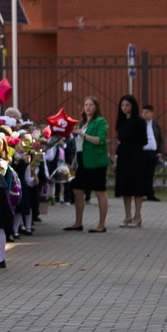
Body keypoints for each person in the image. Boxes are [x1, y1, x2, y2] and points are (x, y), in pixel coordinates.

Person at [70, 97, 109, 232]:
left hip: (96, 161)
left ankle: (101, 224)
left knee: (100, 192)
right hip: (82, 160)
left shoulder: (100, 122)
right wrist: (74, 162)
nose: (87, 107)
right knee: (77, 190)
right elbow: (79, 145)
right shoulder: (82, 124)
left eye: (91, 105)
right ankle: (78, 222)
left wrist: (82, 134)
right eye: (86, 104)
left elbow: (99, 140)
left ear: (96, 107)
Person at [113, 94, 150, 229]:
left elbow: (144, 140)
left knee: (137, 186)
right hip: (123, 156)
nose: (125, 108)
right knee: (125, 186)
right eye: (122, 105)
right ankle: (127, 215)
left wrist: (130, 140)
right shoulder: (121, 121)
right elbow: (119, 141)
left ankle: (137, 215)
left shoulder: (140, 121)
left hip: (136, 156)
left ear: (133, 106)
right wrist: (117, 159)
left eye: (127, 105)